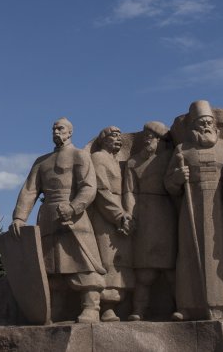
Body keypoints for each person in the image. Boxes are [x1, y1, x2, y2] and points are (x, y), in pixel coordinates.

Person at [11, 117, 106, 323]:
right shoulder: (41, 162)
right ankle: (56, 308)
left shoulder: (79, 155)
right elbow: (29, 191)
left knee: (83, 262)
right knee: (51, 266)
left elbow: (89, 187)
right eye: (53, 129)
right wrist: (19, 217)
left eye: (60, 128)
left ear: (70, 132)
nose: (56, 132)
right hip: (47, 217)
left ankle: (91, 307)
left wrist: (73, 207)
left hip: (74, 217)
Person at [165, 101, 223, 321]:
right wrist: (177, 178)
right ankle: (187, 306)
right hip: (192, 207)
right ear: (193, 127)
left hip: (220, 206)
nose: (206, 126)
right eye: (201, 123)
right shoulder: (182, 150)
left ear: (215, 125)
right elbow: (169, 184)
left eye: (209, 122)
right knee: (189, 253)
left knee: (222, 253)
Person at [124, 121, 177, 321]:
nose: (148, 140)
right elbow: (129, 192)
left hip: (166, 214)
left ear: (160, 140)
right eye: (145, 136)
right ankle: (139, 309)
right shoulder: (133, 162)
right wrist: (130, 214)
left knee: (171, 269)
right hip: (144, 216)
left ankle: (181, 307)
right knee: (144, 271)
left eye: (152, 137)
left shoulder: (169, 158)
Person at [88, 126, 134, 322]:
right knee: (108, 262)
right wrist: (118, 215)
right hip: (106, 216)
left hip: (120, 213)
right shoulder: (98, 158)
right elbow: (101, 190)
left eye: (120, 136)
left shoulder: (115, 161)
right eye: (114, 136)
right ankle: (106, 307)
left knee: (120, 262)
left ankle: (118, 304)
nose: (119, 139)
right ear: (103, 139)